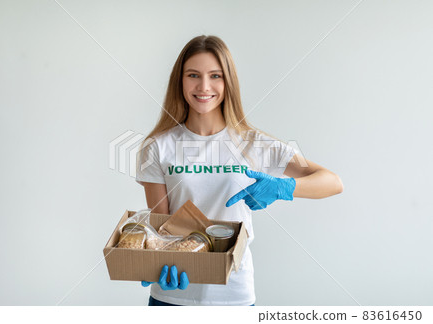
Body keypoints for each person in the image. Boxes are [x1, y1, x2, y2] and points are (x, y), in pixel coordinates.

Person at [135, 35, 344, 306]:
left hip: (233, 296)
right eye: (193, 75)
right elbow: (161, 227)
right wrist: (154, 266)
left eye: (216, 76)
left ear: (228, 82)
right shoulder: (158, 147)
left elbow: (332, 182)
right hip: (173, 295)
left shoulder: (254, 144)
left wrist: (284, 187)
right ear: (180, 81)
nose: (204, 86)